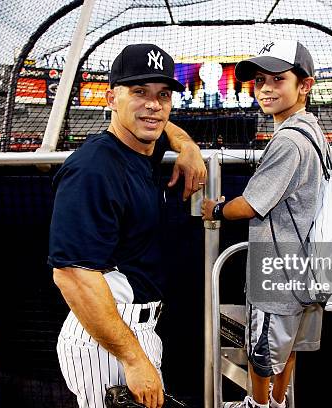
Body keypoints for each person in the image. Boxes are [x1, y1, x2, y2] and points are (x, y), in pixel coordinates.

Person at [49, 43, 205, 408]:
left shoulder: (138, 150)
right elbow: (72, 275)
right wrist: (134, 359)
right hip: (110, 341)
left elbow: (162, 125)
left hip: (130, 332)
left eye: (163, 94)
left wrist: (188, 146)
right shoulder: (93, 169)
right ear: (111, 98)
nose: (153, 104)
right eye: (139, 92)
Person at [202, 40, 332, 408]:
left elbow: (251, 205)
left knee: (261, 352)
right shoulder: (311, 128)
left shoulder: (288, 140)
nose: (266, 88)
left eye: (278, 79)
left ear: (305, 86)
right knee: (286, 349)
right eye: (259, 80)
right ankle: (279, 402)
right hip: (308, 265)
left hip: (279, 269)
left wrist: (216, 209)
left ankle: (259, 405)